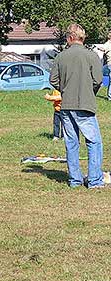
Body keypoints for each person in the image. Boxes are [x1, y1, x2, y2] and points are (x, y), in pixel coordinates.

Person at [50, 23, 104, 189]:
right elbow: (98, 80)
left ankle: (75, 180)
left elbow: (53, 80)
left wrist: (66, 90)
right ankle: (94, 180)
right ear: (82, 38)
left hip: (66, 106)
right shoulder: (91, 55)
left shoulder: (61, 56)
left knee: (71, 143)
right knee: (94, 142)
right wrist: (88, 91)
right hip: (85, 104)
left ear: (70, 38)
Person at [97, 32, 111, 100]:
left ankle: (99, 82)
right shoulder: (108, 44)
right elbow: (103, 48)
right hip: (109, 64)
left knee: (100, 74)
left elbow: (102, 48)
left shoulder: (108, 44)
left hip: (109, 64)